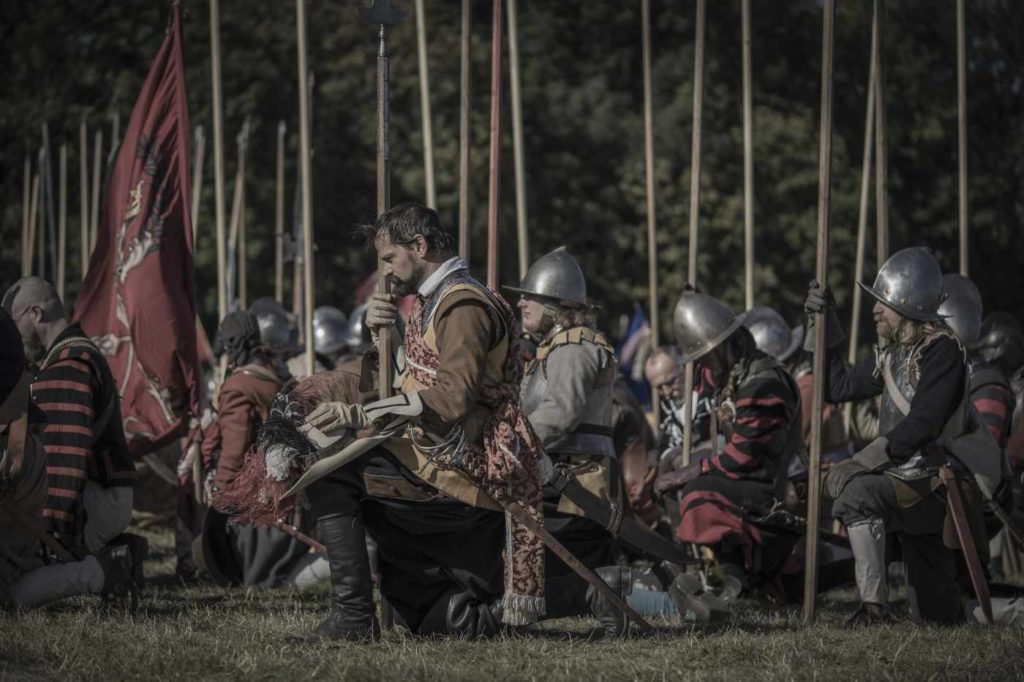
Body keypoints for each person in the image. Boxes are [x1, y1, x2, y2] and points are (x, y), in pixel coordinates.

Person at [286, 203, 548, 640]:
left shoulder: (462, 304)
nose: (386, 271)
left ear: (420, 246)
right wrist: (379, 335)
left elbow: (452, 399)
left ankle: (353, 619)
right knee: (415, 610)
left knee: (329, 474)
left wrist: (357, 415)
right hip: (431, 451)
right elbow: (401, 384)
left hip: (464, 462)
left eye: (390, 258)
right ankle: (482, 615)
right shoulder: (436, 301)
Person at [807, 246, 1001, 625]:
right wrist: (825, 325)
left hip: (935, 487)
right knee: (937, 617)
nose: (876, 309)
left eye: (884, 302)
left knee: (943, 617)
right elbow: (838, 386)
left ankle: (877, 611)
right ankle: (874, 607)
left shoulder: (943, 351)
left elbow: (924, 423)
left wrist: (861, 461)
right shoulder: (892, 355)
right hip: (904, 484)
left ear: (908, 304)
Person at [504, 246, 633, 635]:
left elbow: (560, 415)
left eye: (531, 296)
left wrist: (508, 443)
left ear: (556, 303)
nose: (521, 302)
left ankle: (602, 593)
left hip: (572, 482)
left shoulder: (574, 347)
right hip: (558, 476)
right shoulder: (556, 347)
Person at [2, 278, 144, 607]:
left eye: (14, 324)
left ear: (35, 313)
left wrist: (51, 537)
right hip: (101, 493)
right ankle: (115, 554)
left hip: (94, 499)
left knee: (18, 586)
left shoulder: (67, 365)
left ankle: (107, 564)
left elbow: (62, 460)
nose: (12, 336)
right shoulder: (75, 354)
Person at [653, 287, 803, 596]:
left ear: (725, 349)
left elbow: (745, 456)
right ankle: (712, 576)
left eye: (706, 357)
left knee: (696, 491)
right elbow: (706, 383)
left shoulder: (763, 383)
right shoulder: (735, 374)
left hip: (775, 483)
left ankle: (726, 584)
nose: (703, 367)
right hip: (750, 477)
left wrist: (694, 471)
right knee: (675, 485)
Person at [198, 311, 326, 588]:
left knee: (260, 578)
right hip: (292, 494)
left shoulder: (238, 387)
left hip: (266, 502)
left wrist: (221, 495)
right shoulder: (275, 372)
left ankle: (329, 568)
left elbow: (235, 450)